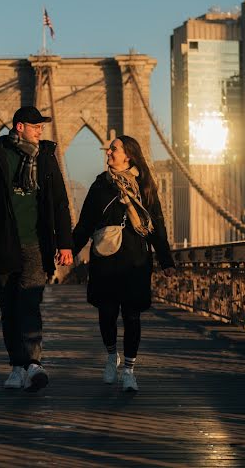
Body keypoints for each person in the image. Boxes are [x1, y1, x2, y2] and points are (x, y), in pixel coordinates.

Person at [0, 106, 74, 392]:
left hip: (36, 244)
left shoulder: (47, 158)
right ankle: (17, 365)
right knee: (9, 308)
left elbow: (61, 202)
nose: (41, 131)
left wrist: (65, 243)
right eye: (36, 126)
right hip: (2, 244)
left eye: (42, 126)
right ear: (20, 126)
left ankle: (34, 363)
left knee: (30, 301)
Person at [72, 135, 174, 392]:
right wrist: (68, 250)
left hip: (135, 258)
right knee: (106, 314)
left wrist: (166, 259)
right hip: (105, 258)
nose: (108, 151)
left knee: (131, 315)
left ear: (128, 155)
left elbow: (157, 224)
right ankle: (110, 356)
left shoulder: (145, 184)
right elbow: (85, 222)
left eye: (113, 149)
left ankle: (129, 369)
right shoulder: (100, 185)